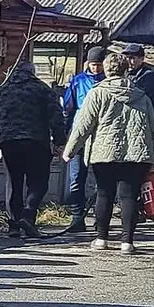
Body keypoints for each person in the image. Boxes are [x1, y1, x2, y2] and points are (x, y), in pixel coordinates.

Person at [63, 53, 154, 253]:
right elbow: (152, 128)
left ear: (107, 70)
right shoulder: (141, 95)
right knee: (129, 196)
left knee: (104, 193)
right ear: (127, 70)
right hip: (136, 154)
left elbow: (83, 125)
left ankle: (101, 239)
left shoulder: (97, 93)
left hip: (104, 152)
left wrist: (70, 150)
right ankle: (127, 242)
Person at [0, 59, 62, 239]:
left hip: (9, 142)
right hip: (36, 142)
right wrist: (59, 141)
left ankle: (14, 225)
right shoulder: (43, 89)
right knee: (38, 182)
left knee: (13, 183)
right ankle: (28, 215)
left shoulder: (3, 90)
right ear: (33, 72)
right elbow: (57, 117)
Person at [59, 47, 107, 235]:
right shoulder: (78, 81)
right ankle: (77, 217)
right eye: (93, 65)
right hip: (79, 134)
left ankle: (100, 217)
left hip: (101, 136)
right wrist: (64, 136)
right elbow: (68, 109)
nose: (96, 69)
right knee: (76, 179)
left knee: (101, 181)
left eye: (99, 65)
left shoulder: (108, 82)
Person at [121, 44, 154, 119]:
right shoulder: (125, 73)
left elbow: (134, 94)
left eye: (132, 58)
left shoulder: (151, 76)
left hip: (147, 118)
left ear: (142, 59)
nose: (128, 61)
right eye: (126, 58)